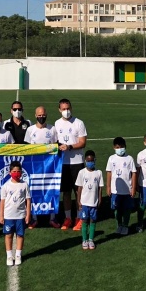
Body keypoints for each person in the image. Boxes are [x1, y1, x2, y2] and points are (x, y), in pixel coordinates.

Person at [53, 98, 87, 230]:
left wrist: (70, 147)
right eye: (63, 109)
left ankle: (79, 217)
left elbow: (83, 142)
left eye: (68, 108)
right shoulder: (56, 124)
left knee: (78, 191)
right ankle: (68, 218)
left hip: (77, 162)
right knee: (66, 192)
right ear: (59, 110)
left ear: (71, 108)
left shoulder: (79, 123)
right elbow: (54, 141)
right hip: (63, 163)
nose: (66, 111)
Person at [24, 107, 57, 228]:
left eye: (43, 115)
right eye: (39, 115)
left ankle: (52, 218)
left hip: (49, 167)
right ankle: (34, 218)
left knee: (52, 189)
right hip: (34, 167)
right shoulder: (30, 130)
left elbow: (56, 146)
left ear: (46, 115)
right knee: (34, 190)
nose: (41, 117)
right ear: (35, 115)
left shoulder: (52, 129)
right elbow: (27, 149)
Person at [0, 160, 31, 266]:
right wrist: (1, 215)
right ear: (10, 172)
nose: (16, 173)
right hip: (8, 216)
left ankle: (18, 255)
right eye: (14, 171)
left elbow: (28, 200)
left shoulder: (24, 185)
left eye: (18, 171)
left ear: (21, 172)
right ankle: (9, 256)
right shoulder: (6, 186)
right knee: (8, 235)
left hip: (20, 215)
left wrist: (28, 214)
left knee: (20, 235)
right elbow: (2, 201)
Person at [105, 136, 136, 236]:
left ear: (125, 147)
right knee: (116, 209)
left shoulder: (129, 158)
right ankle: (119, 225)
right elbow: (109, 173)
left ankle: (126, 225)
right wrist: (108, 187)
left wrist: (133, 188)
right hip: (115, 190)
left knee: (127, 209)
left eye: (121, 147)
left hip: (127, 189)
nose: (120, 149)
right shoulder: (111, 158)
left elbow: (134, 173)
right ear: (114, 147)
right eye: (117, 147)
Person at [75, 150, 102, 250]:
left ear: (95, 160)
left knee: (93, 221)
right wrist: (78, 201)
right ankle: (84, 240)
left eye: (92, 160)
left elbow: (99, 188)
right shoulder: (81, 172)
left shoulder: (98, 173)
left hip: (93, 202)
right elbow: (79, 188)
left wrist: (99, 199)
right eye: (88, 160)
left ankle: (91, 240)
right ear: (85, 161)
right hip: (84, 203)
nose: (90, 162)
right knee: (85, 221)